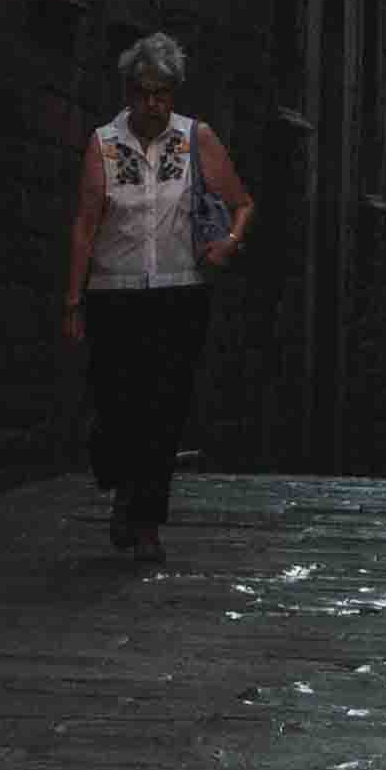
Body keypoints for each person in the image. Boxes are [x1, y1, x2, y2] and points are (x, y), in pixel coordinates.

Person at [62, 33, 252, 564]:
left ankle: (146, 521)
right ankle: (124, 486)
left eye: (164, 93)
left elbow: (242, 204)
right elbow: (85, 224)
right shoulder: (104, 143)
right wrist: (72, 299)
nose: (155, 104)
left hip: (179, 294)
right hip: (114, 294)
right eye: (145, 93)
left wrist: (229, 243)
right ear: (128, 91)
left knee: (164, 410)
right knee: (116, 403)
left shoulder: (197, 139)